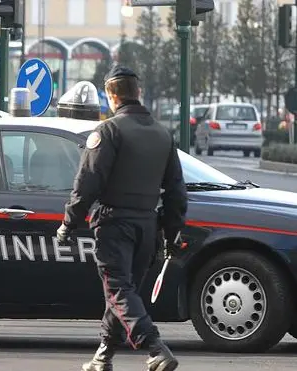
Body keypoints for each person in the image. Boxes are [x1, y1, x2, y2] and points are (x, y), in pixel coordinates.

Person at [56, 65, 187, 371]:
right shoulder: (163, 135)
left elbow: (87, 182)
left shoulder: (108, 131)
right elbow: (177, 192)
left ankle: (155, 347)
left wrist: (68, 222)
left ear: (111, 96)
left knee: (118, 291)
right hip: (147, 226)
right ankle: (103, 355)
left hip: (115, 225)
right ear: (138, 93)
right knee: (122, 294)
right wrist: (171, 232)